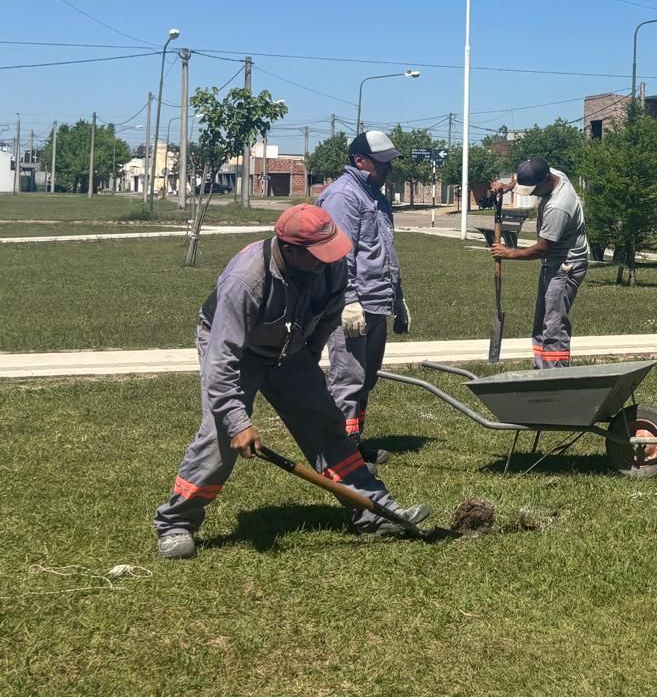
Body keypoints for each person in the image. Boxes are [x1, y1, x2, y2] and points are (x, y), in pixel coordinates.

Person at [153, 204, 429, 560]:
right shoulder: (246, 281)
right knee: (219, 437)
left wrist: (307, 362)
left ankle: (374, 511)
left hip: (290, 348)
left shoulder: (331, 267)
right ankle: (176, 523)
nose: (327, 261)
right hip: (240, 350)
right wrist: (238, 423)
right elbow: (222, 364)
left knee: (326, 424)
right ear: (289, 249)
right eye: (318, 254)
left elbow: (327, 318)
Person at [316, 130, 412, 466]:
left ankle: (352, 446)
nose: (388, 169)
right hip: (352, 306)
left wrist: (397, 298)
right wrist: (348, 300)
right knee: (347, 379)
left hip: (377, 302)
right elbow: (338, 255)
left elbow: (384, 253)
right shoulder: (344, 196)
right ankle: (335, 456)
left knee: (365, 379)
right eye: (381, 163)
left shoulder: (375, 196)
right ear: (360, 160)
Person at [489, 157, 589, 368]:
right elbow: (523, 179)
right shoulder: (552, 174)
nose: (532, 194)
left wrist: (509, 253)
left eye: (533, 189)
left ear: (545, 180)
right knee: (541, 321)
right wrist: (507, 186)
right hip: (553, 262)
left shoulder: (558, 206)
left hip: (566, 265)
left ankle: (555, 377)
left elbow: (543, 248)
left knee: (554, 324)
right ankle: (541, 368)